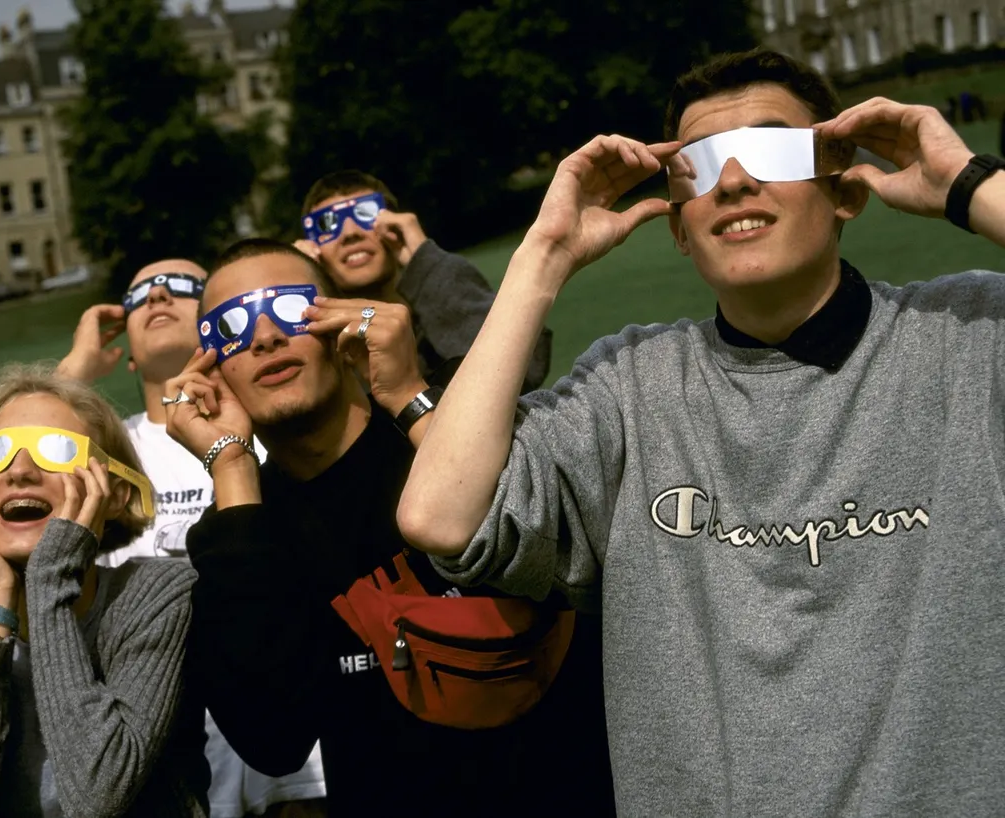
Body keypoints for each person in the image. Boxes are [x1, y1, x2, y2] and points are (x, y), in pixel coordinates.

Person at [397, 48, 1005, 816]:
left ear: (845, 188)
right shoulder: (628, 386)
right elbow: (440, 516)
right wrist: (542, 259)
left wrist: (971, 184)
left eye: (773, 150)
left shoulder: (969, 336)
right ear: (680, 228)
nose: (735, 181)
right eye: (701, 165)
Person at [165, 238, 610, 818]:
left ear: (343, 323)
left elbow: (573, 566)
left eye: (290, 308)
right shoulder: (236, 534)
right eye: (232, 326)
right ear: (210, 368)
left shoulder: (458, 426)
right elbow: (272, 740)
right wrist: (231, 467)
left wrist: (409, 396)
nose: (265, 336)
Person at [57, 259, 326, 818]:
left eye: (181, 288)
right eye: (138, 297)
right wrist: (76, 368)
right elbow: (18, 460)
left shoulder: (274, 422)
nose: (157, 295)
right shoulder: (108, 453)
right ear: (129, 356)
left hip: (303, 759)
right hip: (173, 761)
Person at [0, 362, 206, 817]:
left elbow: (97, 797)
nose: (20, 471)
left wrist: (50, 579)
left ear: (115, 493)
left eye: (56, 450)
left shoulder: (156, 594)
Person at [295, 170, 553, 391]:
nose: (350, 232)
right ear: (312, 247)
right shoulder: (325, 345)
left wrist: (426, 262)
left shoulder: (440, 298)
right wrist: (299, 289)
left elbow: (525, 368)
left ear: (395, 225)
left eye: (365, 214)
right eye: (327, 224)